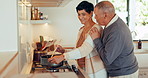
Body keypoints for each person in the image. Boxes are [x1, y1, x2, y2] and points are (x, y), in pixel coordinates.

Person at [48, 1, 107, 78]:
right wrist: (64, 51)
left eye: (83, 14)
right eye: (79, 14)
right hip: (82, 70)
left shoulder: (96, 29)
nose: (80, 17)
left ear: (91, 13)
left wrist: (63, 57)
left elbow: (85, 49)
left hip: (95, 72)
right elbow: (78, 50)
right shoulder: (81, 30)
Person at [89, 1, 139, 78]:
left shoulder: (116, 31)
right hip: (121, 72)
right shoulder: (110, 25)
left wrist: (96, 39)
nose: (94, 18)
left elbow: (107, 59)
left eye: (96, 15)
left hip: (124, 74)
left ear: (105, 15)